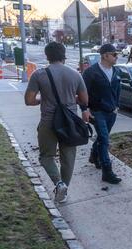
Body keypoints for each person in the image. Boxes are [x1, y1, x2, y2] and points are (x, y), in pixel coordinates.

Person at [24, 42, 90, 203]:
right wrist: (69, 100)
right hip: (70, 123)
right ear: (64, 55)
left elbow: (29, 100)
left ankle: (58, 183)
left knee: (46, 156)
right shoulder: (75, 74)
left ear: (47, 56)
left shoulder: (39, 74)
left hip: (48, 122)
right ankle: (64, 191)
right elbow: (84, 100)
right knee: (68, 158)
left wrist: (43, 99)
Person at [82, 43, 122, 184]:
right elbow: (83, 92)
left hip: (112, 111)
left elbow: (117, 90)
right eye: (114, 54)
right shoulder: (91, 72)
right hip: (97, 111)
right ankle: (107, 171)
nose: (117, 57)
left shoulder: (116, 71)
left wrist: (117, 106)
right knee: (104, 139)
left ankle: (94, 156)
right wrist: (84, 109)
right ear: (105, 55)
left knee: (102, 138)